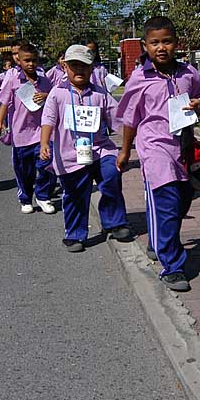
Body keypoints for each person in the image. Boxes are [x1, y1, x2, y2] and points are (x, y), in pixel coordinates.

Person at [115, 16, 200, 292]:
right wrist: (124, 151)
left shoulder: (189, 73)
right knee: (166, 203)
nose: (161, 47)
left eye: (166, 41)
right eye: (154, 43)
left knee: (182, 202)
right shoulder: (139, 78)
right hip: (154, 148)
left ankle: (159, 241)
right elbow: (131, 119)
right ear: (145, 45)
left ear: (176, 43)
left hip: (184, 148)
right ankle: (173, 267)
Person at [41, 44, 132, 252]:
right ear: (65, 67)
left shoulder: (100, 94)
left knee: (111, 175)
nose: (79, 70)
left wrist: (131, 143)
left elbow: (118, 119)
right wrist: (44, 143)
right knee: (74, 195)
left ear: (92, 69)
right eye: (74, 65)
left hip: (100, 150)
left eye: (84, 66)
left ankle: (115, 223)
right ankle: (74, 234)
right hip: (70, 155)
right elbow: (48, 120)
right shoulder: (57, 94)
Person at [0, 42, 57, 213]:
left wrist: (46, 95)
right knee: (24, 170)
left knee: (47, 164)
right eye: (27, 60)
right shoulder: (12, 80)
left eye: (34, 60)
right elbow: (4, 102)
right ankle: (26, 197)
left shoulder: (45, 80)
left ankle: (43, 195)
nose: (31, 64)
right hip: (21, 134)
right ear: (19, 62)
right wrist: (0, 123)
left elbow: (54, 99)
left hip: (42, 133)